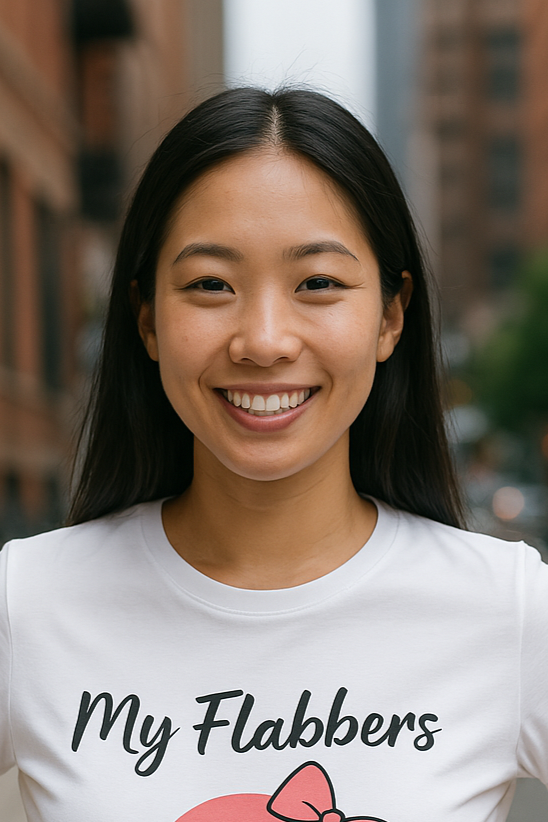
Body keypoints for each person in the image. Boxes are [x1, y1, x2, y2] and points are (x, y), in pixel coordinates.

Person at [0, 87, 546, 822]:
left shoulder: (504, 611)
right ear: (147, 319)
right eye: (209, 285)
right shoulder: (29, 604)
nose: (263, 340)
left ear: (390, 316)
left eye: (317, 283)